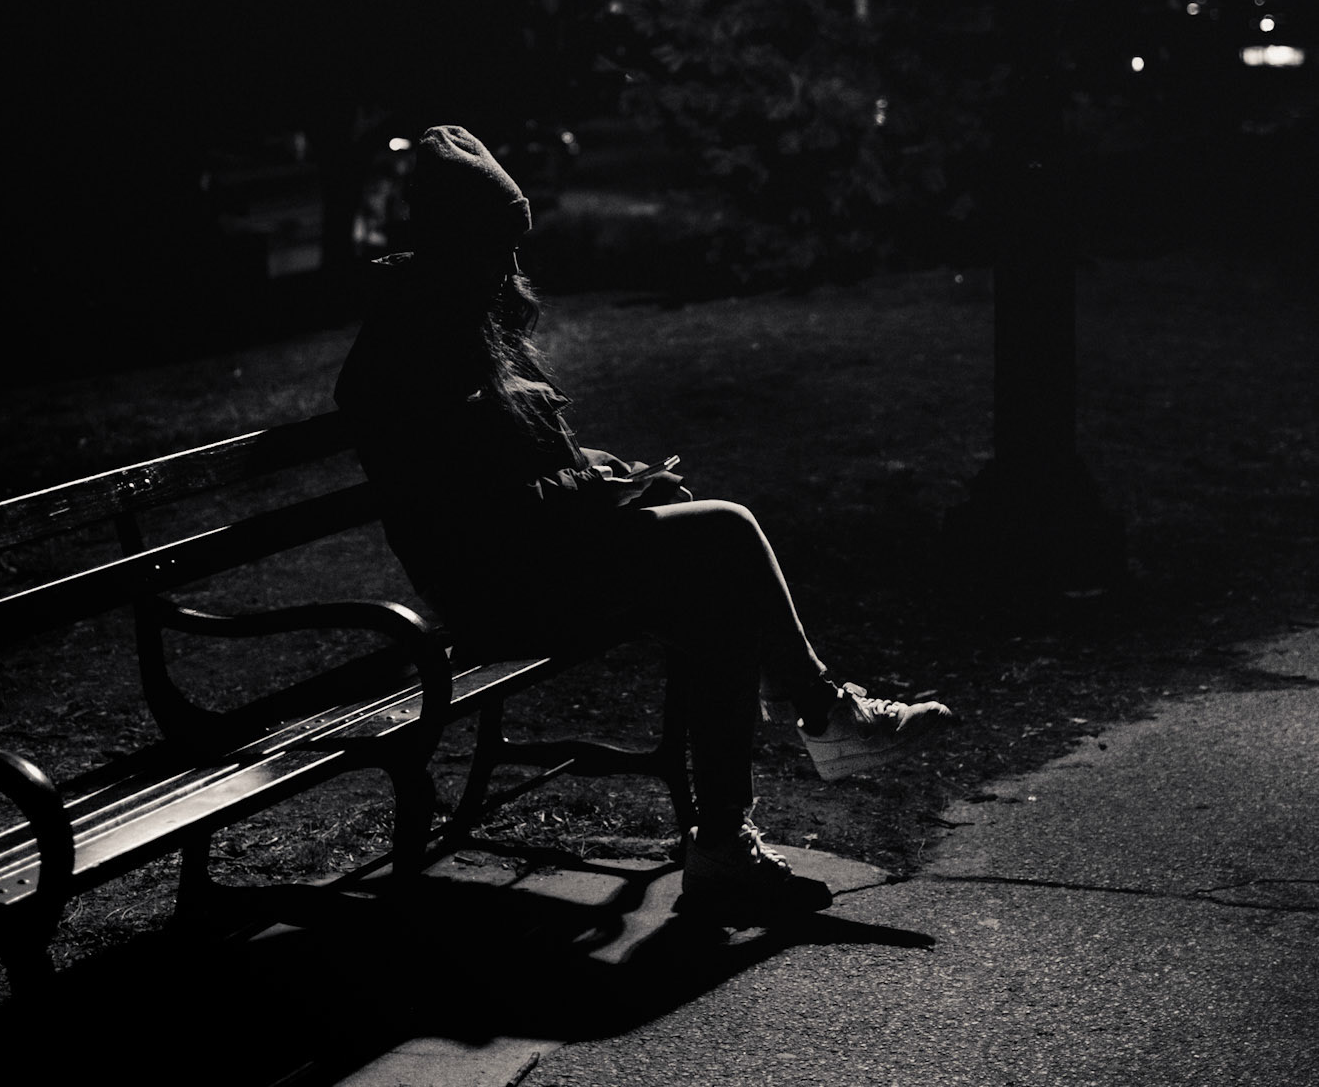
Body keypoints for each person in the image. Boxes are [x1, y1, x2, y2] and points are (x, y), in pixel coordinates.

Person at [336, 124, 954, 923]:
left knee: (715, 595)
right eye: (497, 244)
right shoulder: (414, 345)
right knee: (724, 529)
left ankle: (724, 843)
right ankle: (826, 715)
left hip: (539, 562)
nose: (512, 267)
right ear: (454, 240)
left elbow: (525, 462)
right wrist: (600, 497)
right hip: (495, 593)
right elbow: (470, 508)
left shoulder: (463, 322)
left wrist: (613, 479)